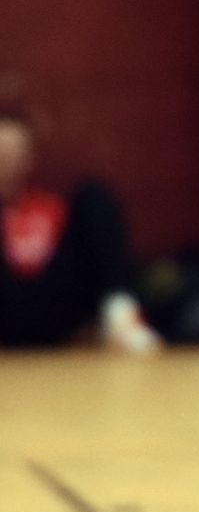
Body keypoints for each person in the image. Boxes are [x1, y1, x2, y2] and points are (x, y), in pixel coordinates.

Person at [0, 103, 160, 352]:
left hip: (53, 304)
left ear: (29, 159)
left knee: (93, 194)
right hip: (6, 309)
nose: (7, 162)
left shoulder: (49, 207)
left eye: (14, 153)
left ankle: (120, 314)